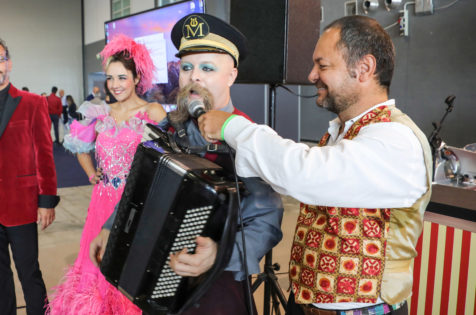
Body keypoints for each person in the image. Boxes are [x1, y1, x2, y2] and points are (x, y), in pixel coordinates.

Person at [197, 15, 432, 315]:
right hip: (306, 302)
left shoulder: (396, 140)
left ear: (364, 68)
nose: (310, 75)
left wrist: (234, 127)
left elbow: (304, 174)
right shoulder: (344, 131)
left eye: (322, 65)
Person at [90, 13, 284, 315]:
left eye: (207, 68)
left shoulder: (247, 136)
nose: (194, 76)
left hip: (216, 289)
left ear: (231, 75)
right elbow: (138, 188)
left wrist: (221, 255)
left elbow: (267, 217)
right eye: (187, 67)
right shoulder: (168, 128)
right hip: (156, 279)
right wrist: (111, 225)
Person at [47, 34, 167, 314]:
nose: (115, 85)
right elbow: (79, 146)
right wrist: (91, 174)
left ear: (137, 78)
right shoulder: (98, 112)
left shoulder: (152, 111)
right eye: (110, 78)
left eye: (122, 77)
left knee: (131, 271)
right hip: (101, 203)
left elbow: (171, 155)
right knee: (97, 268)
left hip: (137, 205)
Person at [0, 38, 59, 315]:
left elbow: (45, 155)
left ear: (8, 63)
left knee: (29, 272)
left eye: (0, 59)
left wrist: (46, 201)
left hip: (21, 203)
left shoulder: (33, 103)